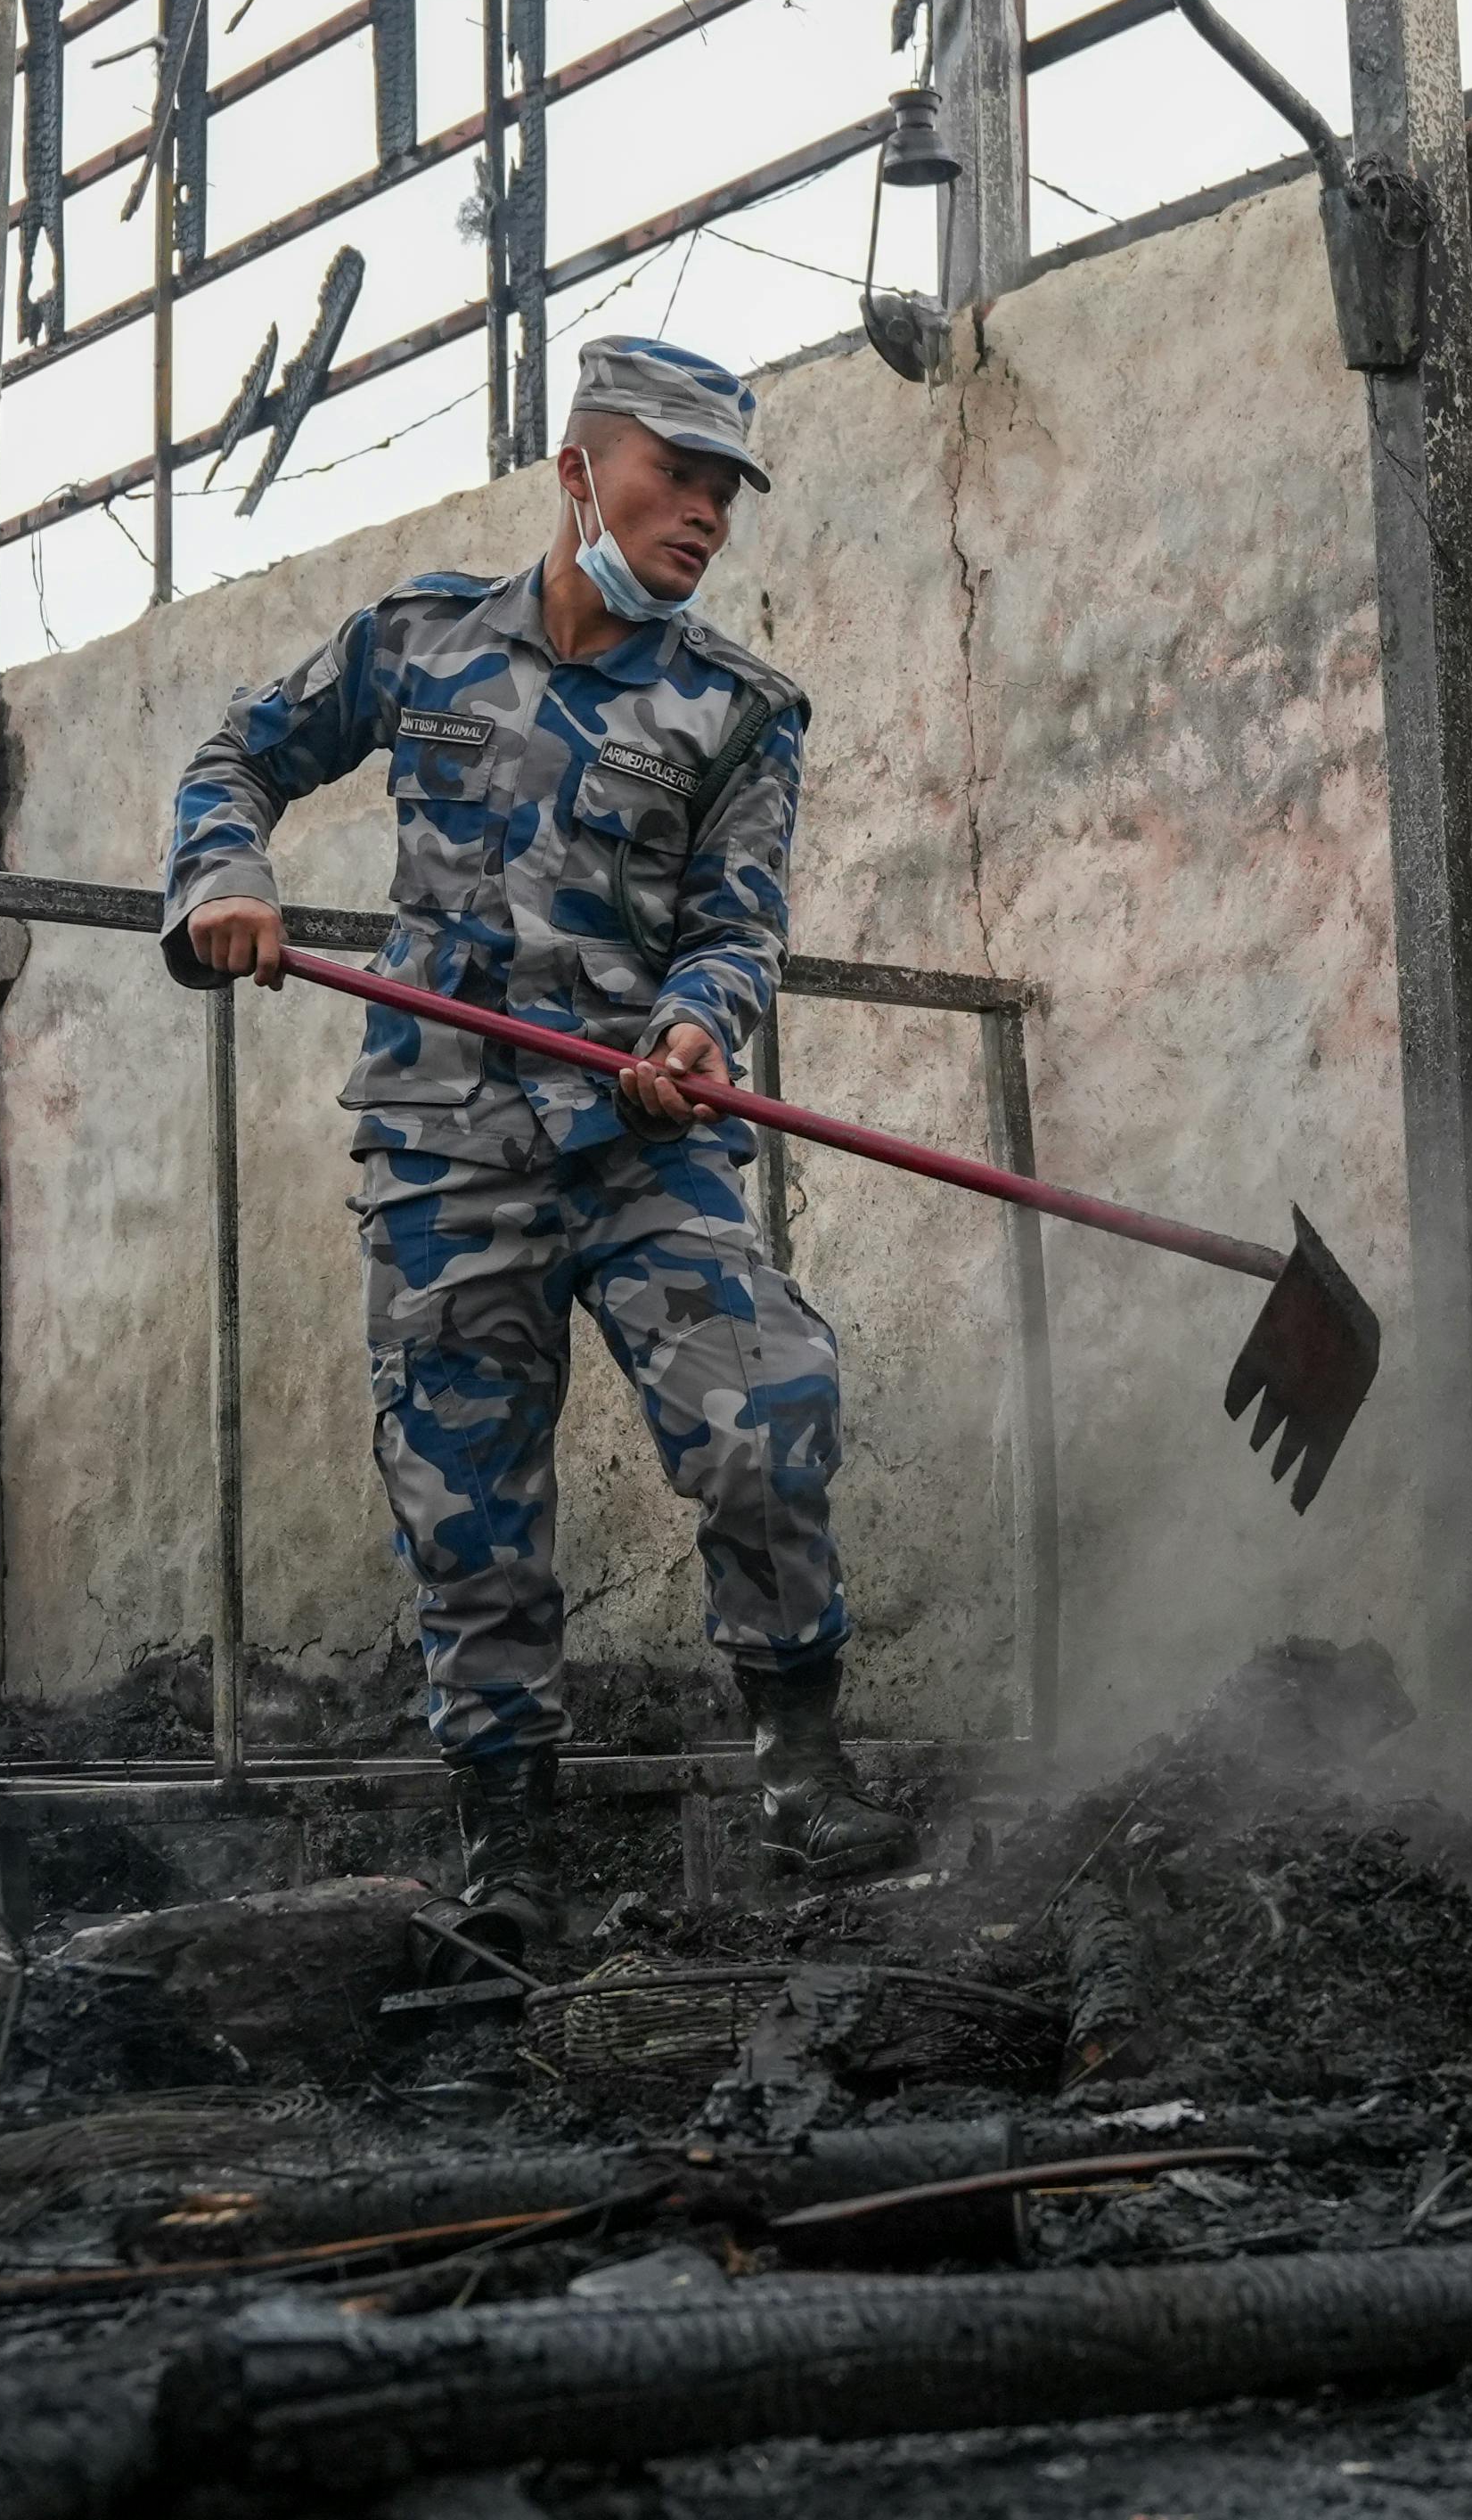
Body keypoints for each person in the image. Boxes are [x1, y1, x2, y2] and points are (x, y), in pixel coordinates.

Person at [160, 336, 913, 1929]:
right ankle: (511, 1840)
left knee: (766, 1401)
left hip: (643, 1144)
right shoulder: (418, 642)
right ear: (580, 470)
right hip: (445, 1152)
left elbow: (737, 924)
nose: (703, 514)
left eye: (725, 491)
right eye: (675, 477)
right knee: (466, 1495)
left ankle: (803, 1765)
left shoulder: (741, 709)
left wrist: (697, 1027)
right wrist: (228, 880)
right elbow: (240, 754)